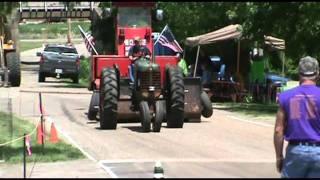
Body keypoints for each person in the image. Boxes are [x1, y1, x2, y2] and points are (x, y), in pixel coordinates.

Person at [274, 56, 320, 178]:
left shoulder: (286, 96)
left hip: (296, 152)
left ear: (299, 73)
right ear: (317, 74)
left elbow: (279, 130)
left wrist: (279, 157)